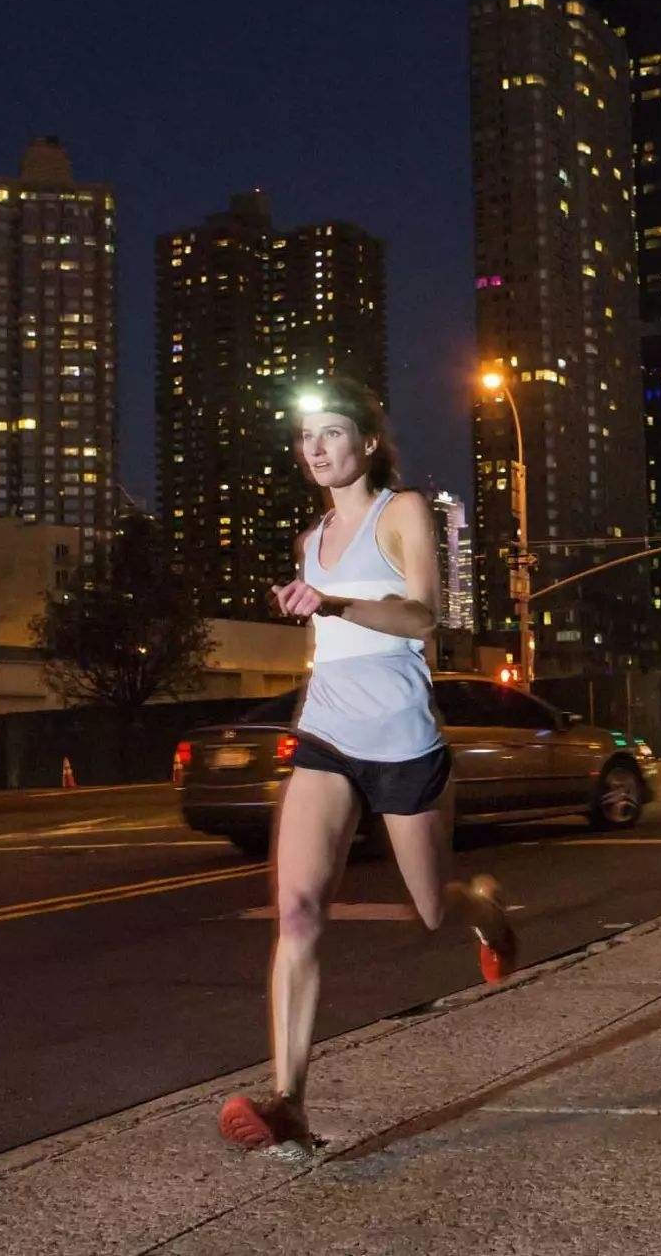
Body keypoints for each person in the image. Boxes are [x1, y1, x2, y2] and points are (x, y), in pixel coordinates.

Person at [218, 375, 516, 1155]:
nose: (316, 447)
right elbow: (332, 643)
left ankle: (484, 906)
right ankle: (288, 1100)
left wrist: (335, 603)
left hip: (403, 741)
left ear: (367, 442)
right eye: (305, 437)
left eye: (332, 432)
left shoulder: (403, 511)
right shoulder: (308, 540)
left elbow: (423, 614)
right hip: (326, 735)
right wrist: (318, 610)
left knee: (431, 908)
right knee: (298, 911)